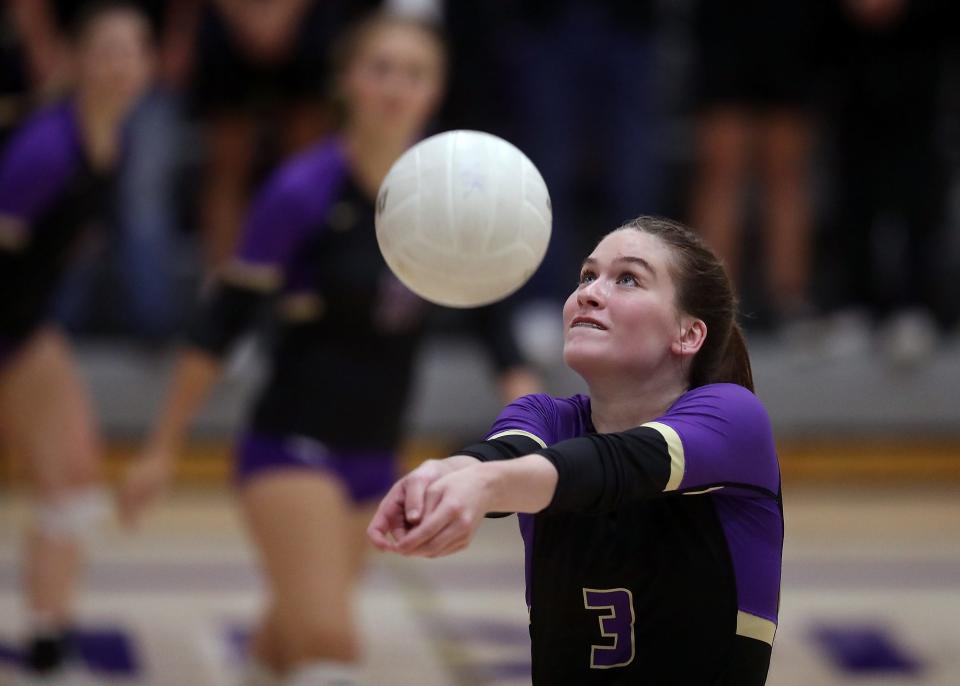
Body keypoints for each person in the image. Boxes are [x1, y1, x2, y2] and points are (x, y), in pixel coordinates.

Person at [119, 13, 538, 686]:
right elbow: (220, 325)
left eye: (414, 73)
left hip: (377, 456)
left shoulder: (455, 194)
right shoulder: (300, 191)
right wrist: (162, 446)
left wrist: (535, 425)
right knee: (331, 642)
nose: (396, 87)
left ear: (437, 90)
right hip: (291, 444)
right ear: (347, 82)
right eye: (380, 69)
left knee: (291, 633)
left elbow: (498, 333)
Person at [371, 216, 783, 685]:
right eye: (588, 276)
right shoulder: (545, 416)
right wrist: (441, 475)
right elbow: (503, 454)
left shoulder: (733, 417)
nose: (589, 293)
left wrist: (484, 485)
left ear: (689, 334)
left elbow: (615, 464)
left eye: (627, 279)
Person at [0, 3, 152, 682]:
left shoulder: (111, 140)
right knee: (69, 480)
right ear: (76, 60)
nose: (122, 65)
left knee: (77, 482)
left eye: (134, 50)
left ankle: (47, 637)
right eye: (107, 50)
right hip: (9, 331)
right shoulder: (47, 148)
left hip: (27, 326)